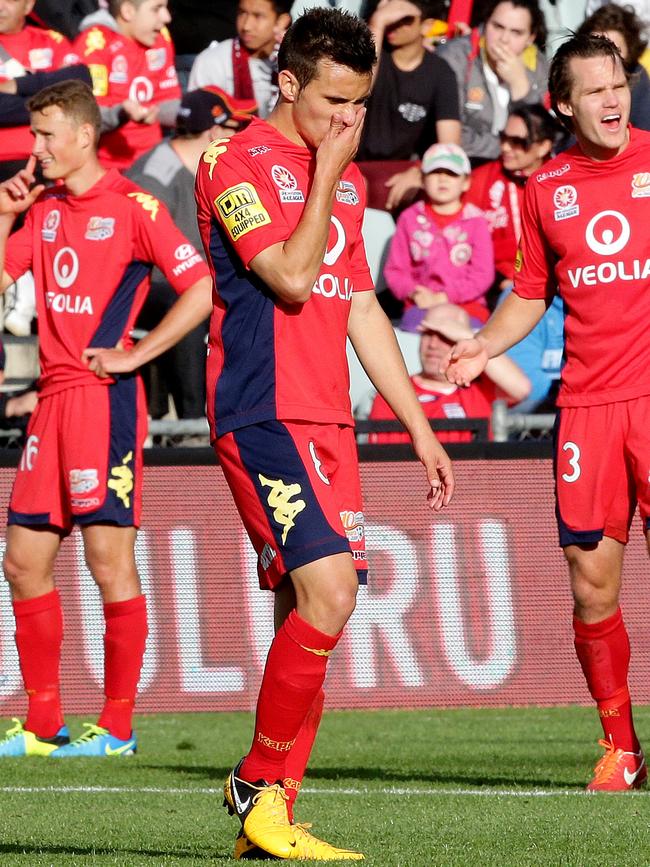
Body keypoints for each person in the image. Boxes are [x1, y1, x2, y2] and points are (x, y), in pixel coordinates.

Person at [194, 6, 454, 859]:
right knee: (331, 591)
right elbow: (295, 279)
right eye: (334, 102)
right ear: (289, 82)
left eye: (360, 104)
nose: (348, 121)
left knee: (309, 617)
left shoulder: (330, 167)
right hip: (262, 409)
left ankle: (272, 822)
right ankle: (256, 782)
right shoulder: (237, 161)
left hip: (329, 417)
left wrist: (416, 422)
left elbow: (358, 302)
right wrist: (331, 169)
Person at [443, 32, 650, 791]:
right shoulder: (545, 187)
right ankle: (620, 746)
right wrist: (479, 344)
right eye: (594, 88)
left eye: (618, 82)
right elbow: (531, 290)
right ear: (563, 104)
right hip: (589, 406)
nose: (612, 98)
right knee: (591, 581)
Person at [0, 80, 212, 758]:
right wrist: (2, 215)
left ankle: (117, 727)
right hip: (51, 401)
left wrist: (138, 354)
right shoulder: (44, 209)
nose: (36, 148)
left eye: (46, 134)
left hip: (102, 396)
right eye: (34, 135)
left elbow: (200, 287)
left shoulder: (133, 206)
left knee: (106, 556)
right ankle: (42, 723)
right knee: (23, 560)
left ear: (85, 136)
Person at [127, 87, 255, 436]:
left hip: (194, 281)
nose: (238, 138)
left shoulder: (208, 167)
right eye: (234, 129)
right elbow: (141, 263)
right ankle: (193, 424)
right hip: (150, 286)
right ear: (214, 132)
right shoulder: (154, 179)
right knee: (189, 300)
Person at [368, 302, 530, 442]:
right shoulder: (394, 392)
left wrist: (469, 337)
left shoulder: (480, 390)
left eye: (444, 336)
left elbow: (521, 388)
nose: (432, 344)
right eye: (427, 334)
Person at [356, 0, 461, 211]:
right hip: (351, 163)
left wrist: (419, 171)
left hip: (401, 172)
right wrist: (377, 22)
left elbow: (450, 146)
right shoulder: (374, 56)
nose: (392, 24)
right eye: (387, 15)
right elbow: (360, 86)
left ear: (427, 26)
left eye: (404, 19)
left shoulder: (441, 72)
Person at [384, 142, 494, 331]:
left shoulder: (476, 221)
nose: (443, 179)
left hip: (468, 308)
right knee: (414, 336)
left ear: (466, 181)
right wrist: (414, 293)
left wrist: (444, 297)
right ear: (422, 179)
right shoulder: (409, 218)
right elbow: (395, 270)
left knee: (466, 341)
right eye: (435, 172)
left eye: (451, 173)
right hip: (420, 306)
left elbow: (482, 275)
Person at [436, 0, 549, 166]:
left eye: (516, 32)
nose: (504, 39)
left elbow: (546, 137)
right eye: (497, 27)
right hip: (462, 166)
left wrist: (521, 88)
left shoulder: (539, 66)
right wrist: (507, 148)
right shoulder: (454, 58)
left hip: (517, 170)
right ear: (485, 24)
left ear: (530, 38)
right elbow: (453, 135)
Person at [73, 0, 182, 170]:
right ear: (128, 11)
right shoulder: (95, 43)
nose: (166, 17)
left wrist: (195, 109)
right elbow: (81, 118)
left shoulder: (160, 38)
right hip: (104, 166)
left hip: (152, 160)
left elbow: (167, 101)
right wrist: (121, 113)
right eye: (157, 8)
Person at [465, 103, 559, 295]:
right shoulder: (480, 180)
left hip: (555, 284)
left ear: (543, 147)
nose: (505, 147)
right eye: (503, 138)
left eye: (517, 142)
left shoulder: (563, 182)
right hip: (495, 287)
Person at [0, 0, 79, 176]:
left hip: (47, 161)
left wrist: (16, 87)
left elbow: (78, 86)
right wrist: (51, 101)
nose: (0, 6)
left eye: (11, 0)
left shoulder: (52, 42)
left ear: (28, 5)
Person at [188, 0, 292, 119]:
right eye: (242, 13)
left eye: (258, 16)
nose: (246, 26)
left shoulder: (294, 63)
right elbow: (198, 121)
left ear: (281, 21)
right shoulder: (212, 60)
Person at [579, 3, 650, 131]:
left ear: (630, 49)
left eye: (614, 50)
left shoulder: (638, 78)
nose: (605, 59)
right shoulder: (576, 78)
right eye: (596, 48)